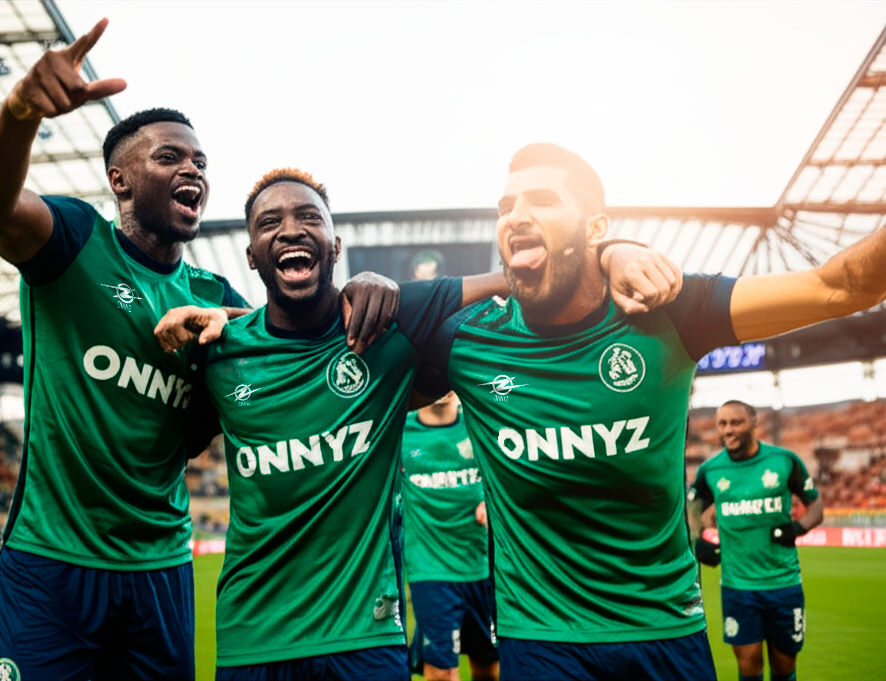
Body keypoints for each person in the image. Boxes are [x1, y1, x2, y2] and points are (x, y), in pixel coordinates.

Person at [0, 20, 398, 681]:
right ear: (120, 180)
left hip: (161, 565)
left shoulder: (213, 295)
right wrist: (21, 113)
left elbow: (287, 341)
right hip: (54, 557)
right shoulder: (75, 244)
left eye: (200, 162)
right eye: (168, 157)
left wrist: (367, 282)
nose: (191, 167)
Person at [155, 167, 680, 680]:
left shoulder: (394, 324)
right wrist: (223, 315)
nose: (290, 229)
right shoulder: (217, 351)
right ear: (250, 255)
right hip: (253, 637)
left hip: (366, 637)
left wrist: (613, 251)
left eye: (309, 217)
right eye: (269, 223)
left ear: (335, 246)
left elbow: (527, 274)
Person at [420, 141, 886, 681]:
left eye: (542, 200)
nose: (517, 215)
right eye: (505, 207)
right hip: (541, 642)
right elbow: (352, 349)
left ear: (595, 229)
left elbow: (841, 286)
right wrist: (364, 287)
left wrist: (614, 253)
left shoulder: (671, 309)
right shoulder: (468, 342)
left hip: (666, 634)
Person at [689, 400, 823, 681]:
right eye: (722, 424)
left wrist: (797, 528)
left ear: (754, 423)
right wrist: (697, 537)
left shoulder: (783, 460)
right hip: (738, 588)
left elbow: (816, 504)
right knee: (748, 665)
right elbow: (694, 505)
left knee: (784, 665)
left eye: (736, 422)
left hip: (783, 584)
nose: (728, 430)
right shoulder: (711, 470)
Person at [401, 391, 498, 681]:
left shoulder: (483, 424)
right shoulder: (397, 431)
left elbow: (513, 477)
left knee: (488, 666)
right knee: (441, 671)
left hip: (483, 566)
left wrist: (493, 505)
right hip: (430, 570)